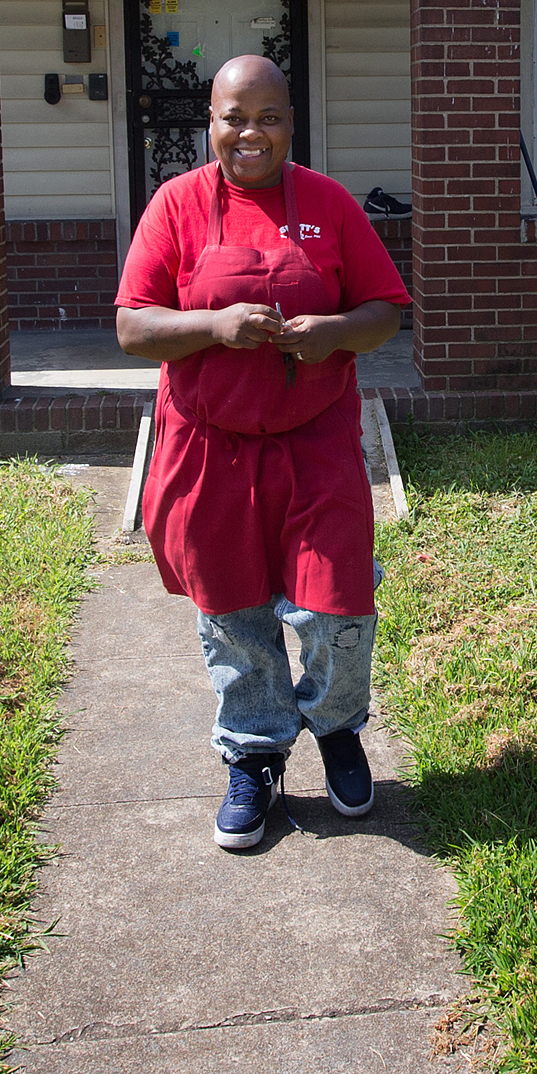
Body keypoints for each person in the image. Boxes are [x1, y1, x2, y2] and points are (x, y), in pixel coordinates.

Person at [115, 53, 408, 850]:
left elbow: (385, 309)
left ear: (290, 120)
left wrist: (337, 332)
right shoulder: (175, 206)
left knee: (336, 606)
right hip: (211, 449)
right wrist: (213, 326)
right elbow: (134, 325)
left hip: (315, 445)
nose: (251, 132)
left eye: (269, 115)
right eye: (234, 116)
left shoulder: (329, 203)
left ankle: (339, 730)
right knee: (234, 613)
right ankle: (255, 755)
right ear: (209, 121)